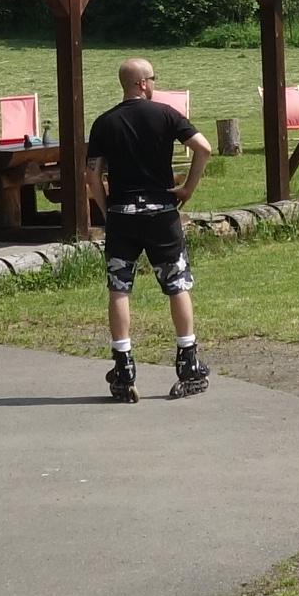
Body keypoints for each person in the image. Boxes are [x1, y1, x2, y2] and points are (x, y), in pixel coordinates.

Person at [85, 55, 212, 400]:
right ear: (142, 83)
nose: (154, 83)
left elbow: (92, 175)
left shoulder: (104, 122)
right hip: (161, 214)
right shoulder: (167, 115)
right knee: (177, 284)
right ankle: (188, 362)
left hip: (122, 214)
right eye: (153, 78)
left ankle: (123, 366)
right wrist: (187, 188)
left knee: (119, 287)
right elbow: (203, 148)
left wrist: (107, 210)